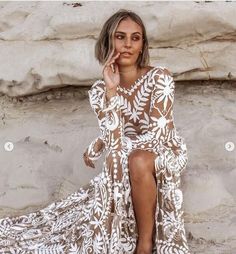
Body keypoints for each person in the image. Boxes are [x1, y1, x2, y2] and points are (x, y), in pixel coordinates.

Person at [0, 9, 190, 254]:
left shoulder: (160, 78)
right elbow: (115, 140)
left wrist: (105, 143)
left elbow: (158, 136)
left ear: (143, 45)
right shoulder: (100, 91)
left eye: (136, 38)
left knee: (137, 159)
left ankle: (145, 243)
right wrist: (112, 92)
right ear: (107, 41)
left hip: (164, 151)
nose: (128, 44)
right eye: (120, 37)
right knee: (126, 159)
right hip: (125, 157)